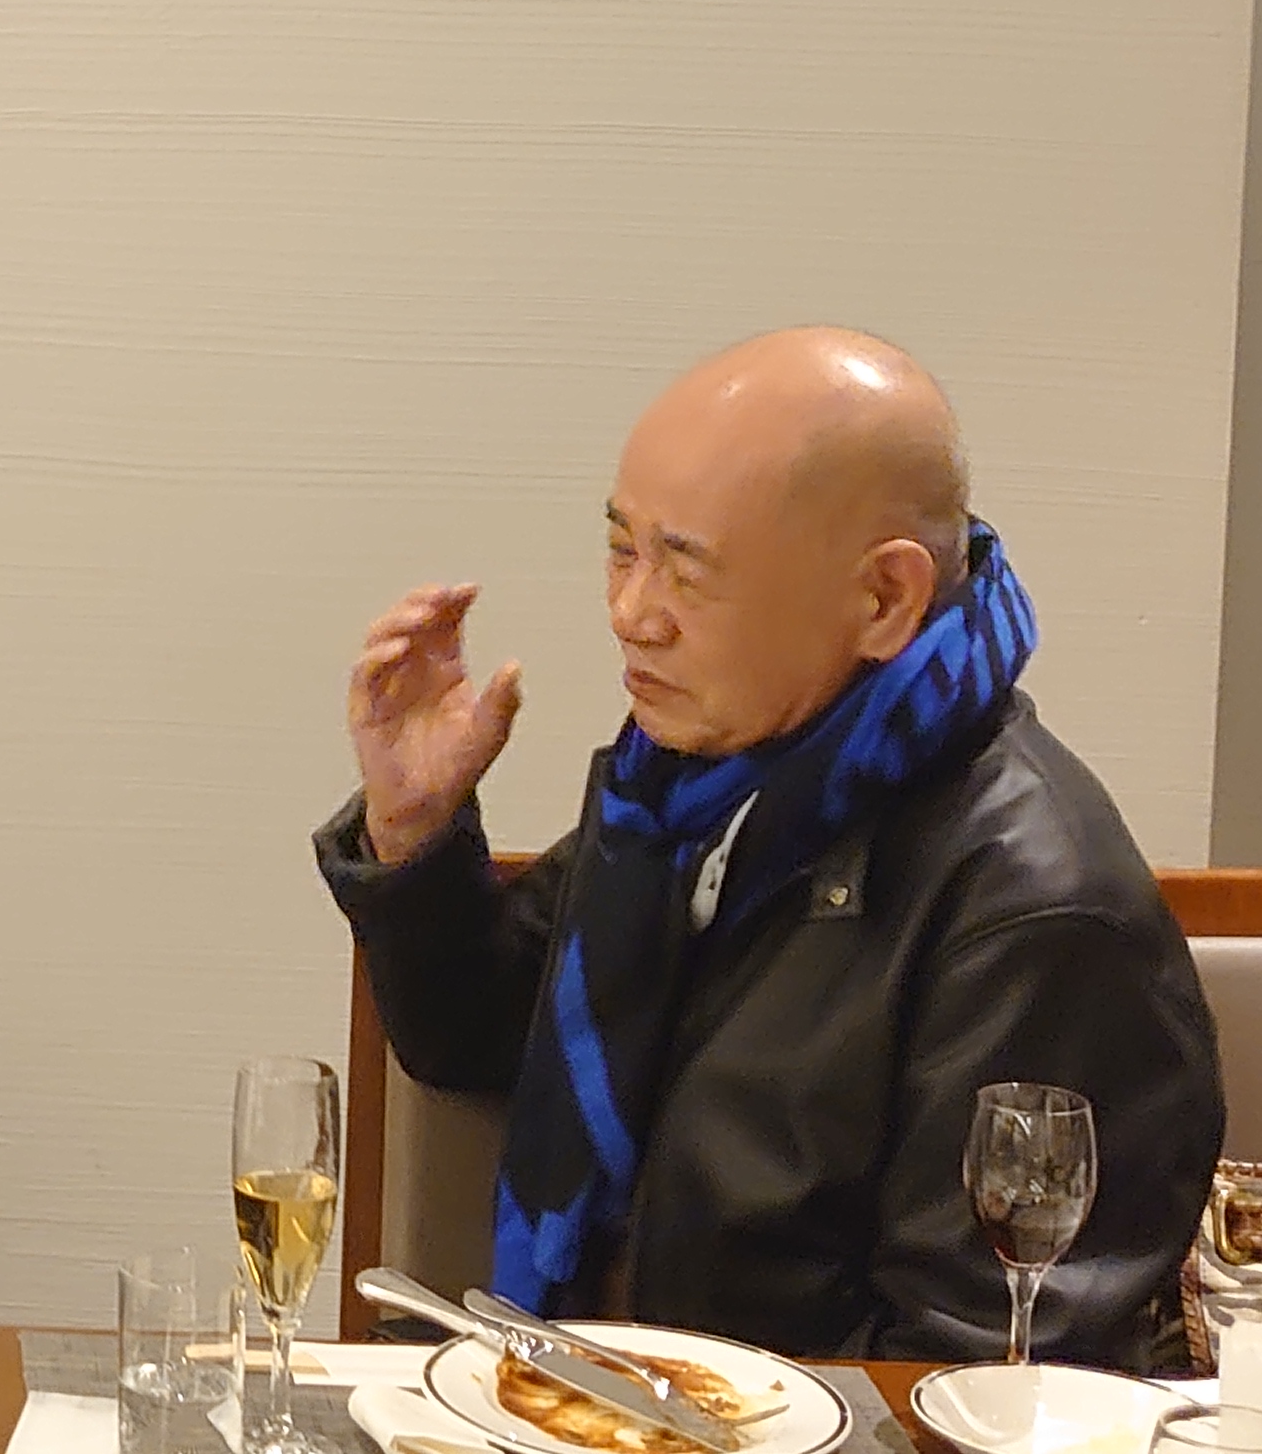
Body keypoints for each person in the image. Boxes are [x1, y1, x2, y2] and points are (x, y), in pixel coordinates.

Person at [320, 326, 1219, 1364]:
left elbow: (982, 1379)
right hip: (589, 1396)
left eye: (686, 573)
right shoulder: (701, 790)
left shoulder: (1039, 915)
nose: (630, 615)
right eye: (622, 550)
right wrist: (415, 831)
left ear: (883, 599)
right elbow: (475, 1041)